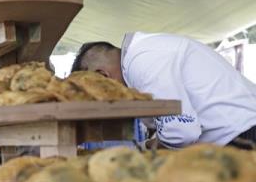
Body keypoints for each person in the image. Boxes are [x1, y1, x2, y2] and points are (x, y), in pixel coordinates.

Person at [70, 32, 256, 149]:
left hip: (244, 134)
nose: (105, 100)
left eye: (97, 94)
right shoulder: (142, 56)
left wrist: (148, 148)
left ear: (102, 76)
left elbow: (182, 132)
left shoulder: (143, 62)